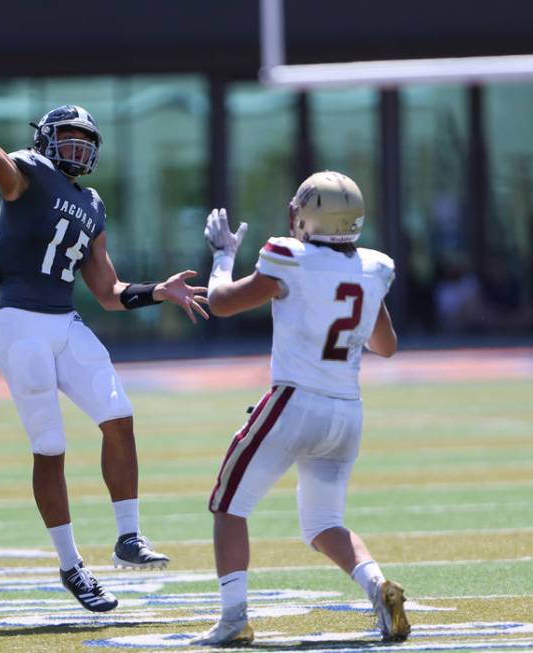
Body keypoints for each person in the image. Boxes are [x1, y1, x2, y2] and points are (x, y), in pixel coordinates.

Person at [0, 52, 208, 612]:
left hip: (66, 320)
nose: (78, 146)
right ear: (44, 138)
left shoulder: (93, 204)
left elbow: (108, 293)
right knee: (51, 448)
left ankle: (129, 537)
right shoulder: (26, 174)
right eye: (67, 135)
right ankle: (71, 566)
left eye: (86, 139)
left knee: (119, 416)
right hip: (20, 324)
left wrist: (159, 290)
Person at [192, 171, 410, 645]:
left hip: (294, 401)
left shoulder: (290, 257)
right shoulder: (372, 267)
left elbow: (222, 302)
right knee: (323, 524)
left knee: (228, 504)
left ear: (309, 216)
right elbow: (386, 345)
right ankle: (378, 587)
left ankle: (233, 619)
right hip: (346, 412)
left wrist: (222, 257)